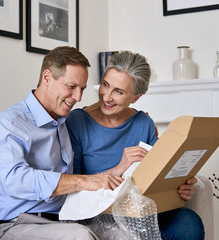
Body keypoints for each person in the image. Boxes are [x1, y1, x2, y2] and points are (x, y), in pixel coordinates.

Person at [0, 46, 124, 240]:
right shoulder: (12, 121)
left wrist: (133, 115)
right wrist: (84, 181)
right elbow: (14, 179)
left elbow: (97, 111)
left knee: (123, 234)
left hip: (64, 221)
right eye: (71, 87)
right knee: (80, 237)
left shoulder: (62, 123)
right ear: (47, 78)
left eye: (82, 89)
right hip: (15, 226)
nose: (78, 97)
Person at [66, 50, 205, 240]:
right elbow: (71, 184)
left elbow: (159, 174)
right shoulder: (77, 122)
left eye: (119, 91)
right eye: (105, 85)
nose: (107, 97)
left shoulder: (143, 123)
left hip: (140, 213)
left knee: (188, 223)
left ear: (136, 97)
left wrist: (179, 186)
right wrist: (118, 169)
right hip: (97, 215)